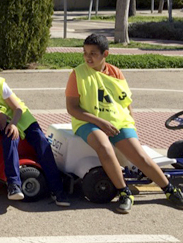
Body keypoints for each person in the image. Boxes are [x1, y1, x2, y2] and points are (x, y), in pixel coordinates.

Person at [65, 34, 183, 213]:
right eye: (85, 52)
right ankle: (124, 192)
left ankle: (170, 190)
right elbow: (73, 109)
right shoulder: (77, 74)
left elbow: (126, 103)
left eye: (93, 53)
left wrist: (131, 127)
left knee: (140, 157)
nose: (88, 57)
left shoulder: (116, 72)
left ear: (105, 54)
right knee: (104, 147)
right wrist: (100, 122)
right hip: (89, 121)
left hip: (118, 121)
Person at [0, 45, 69, 205]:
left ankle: (58, 190)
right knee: (9, 141)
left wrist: (14, 124)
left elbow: (17, 108)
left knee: (42, 144)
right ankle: (14, 185)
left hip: (20, 117)